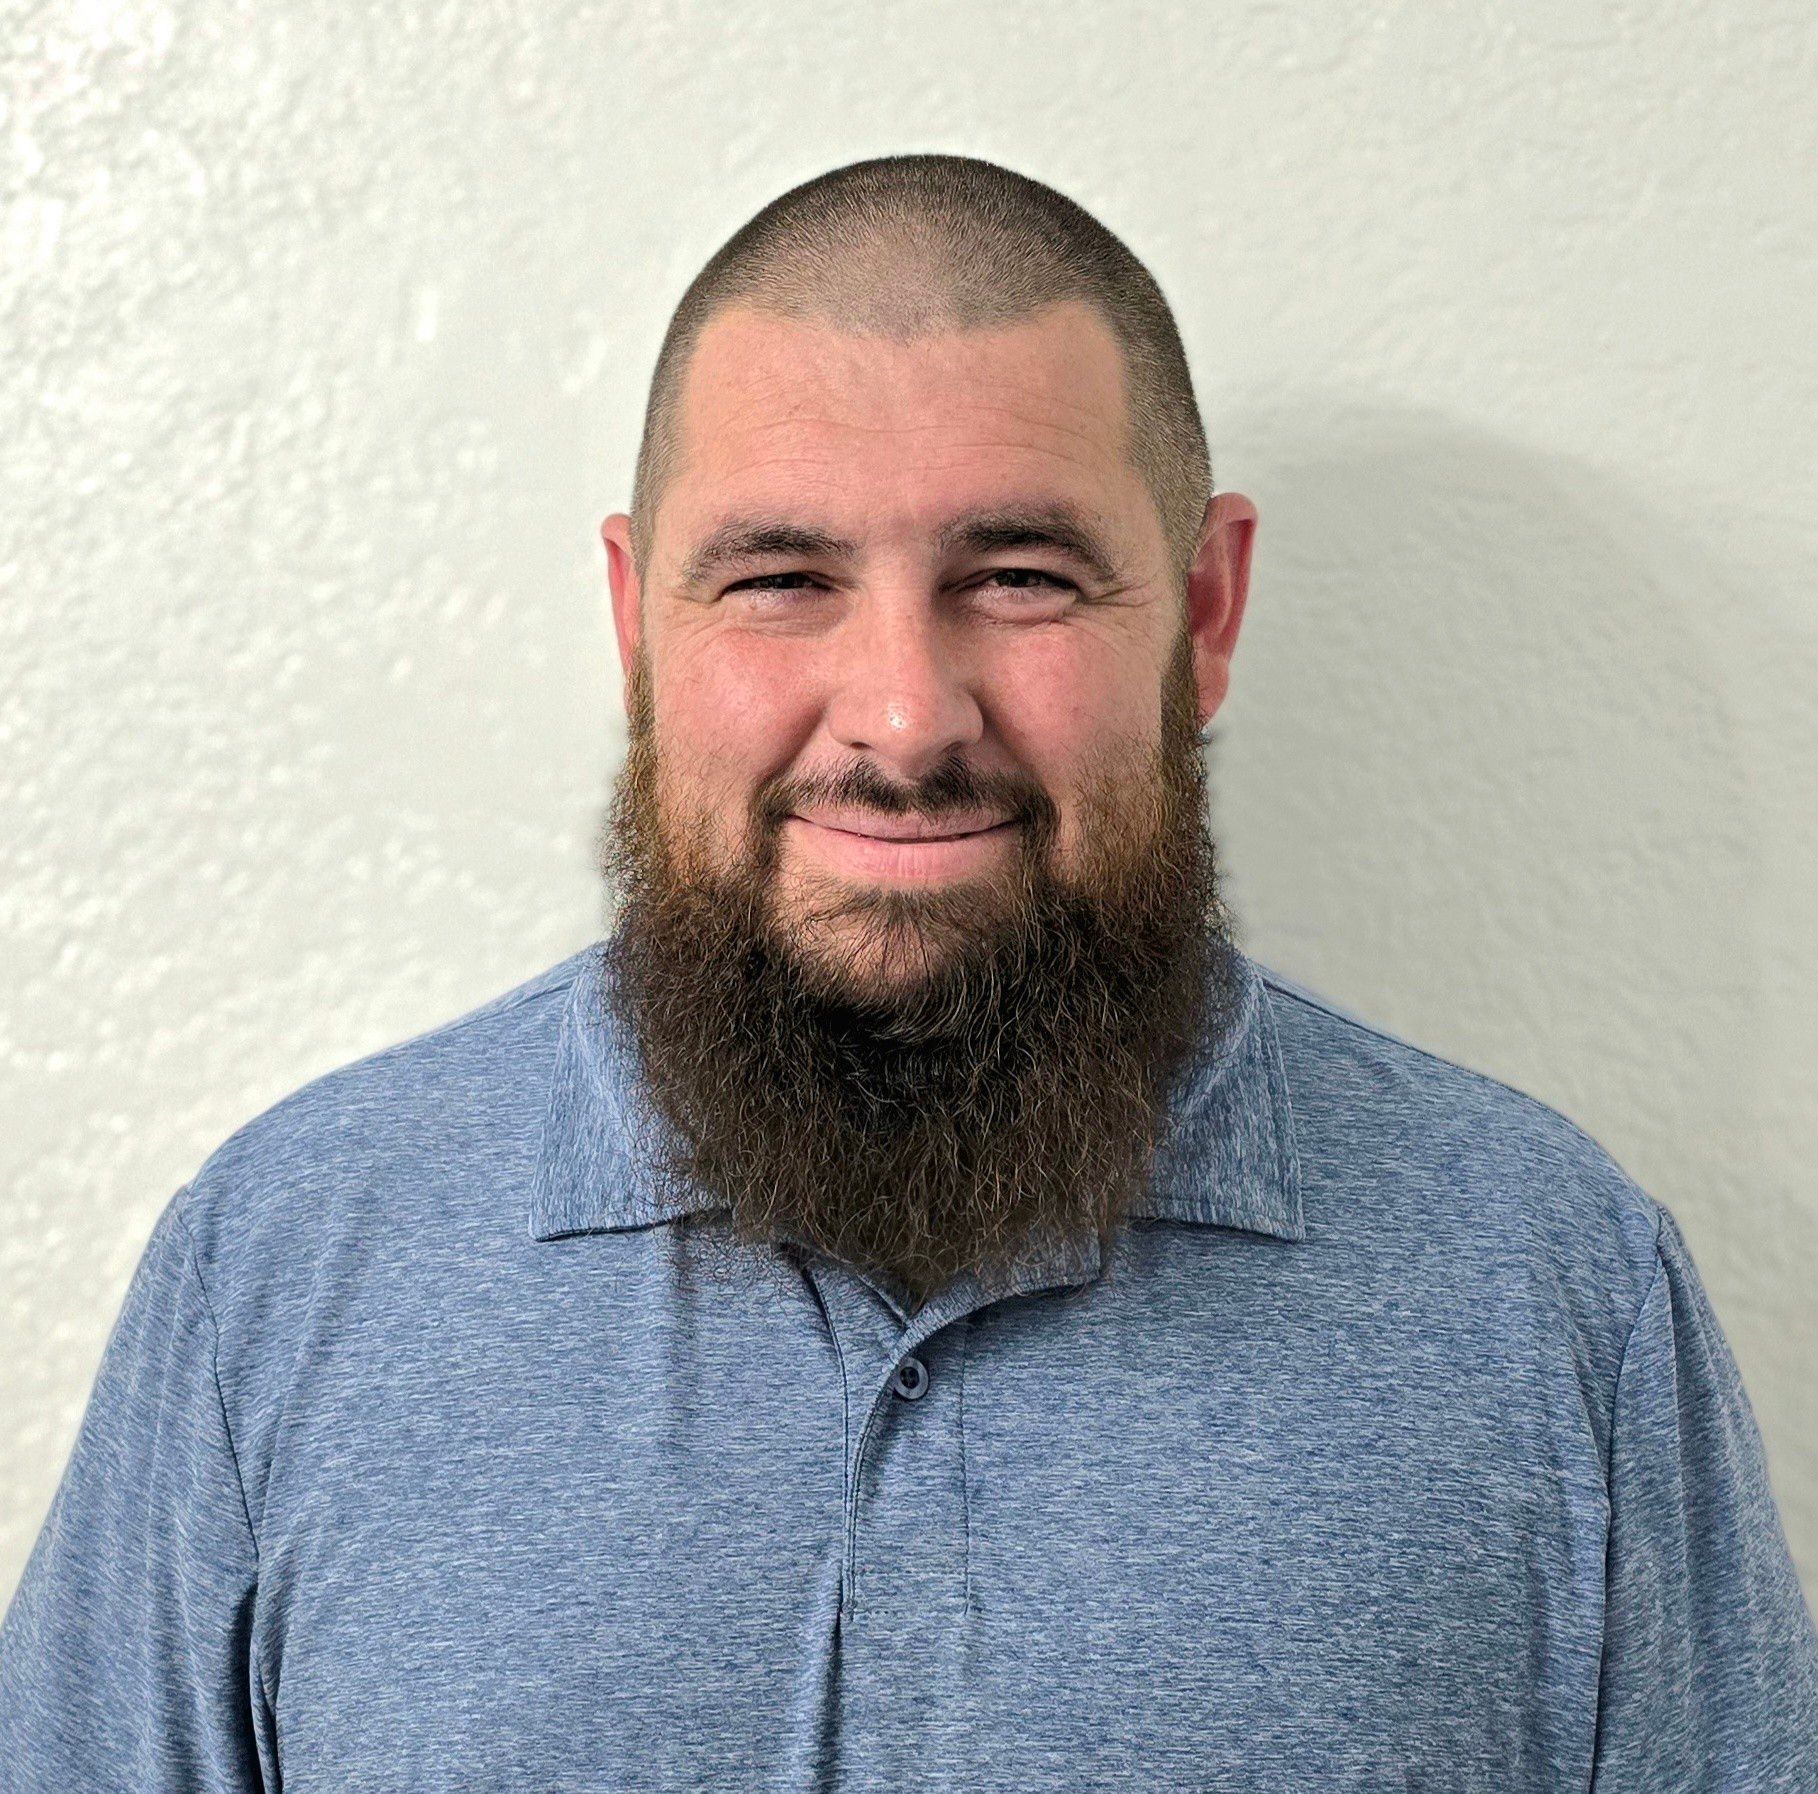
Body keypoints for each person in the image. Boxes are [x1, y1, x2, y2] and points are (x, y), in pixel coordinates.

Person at [1, 152, 1813, 1792]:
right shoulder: (284, 1270)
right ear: (637, 626)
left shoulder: (1548, 1287)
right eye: (780, 577)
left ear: (1203, 612)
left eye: (1017, 575)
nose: (899, 717)